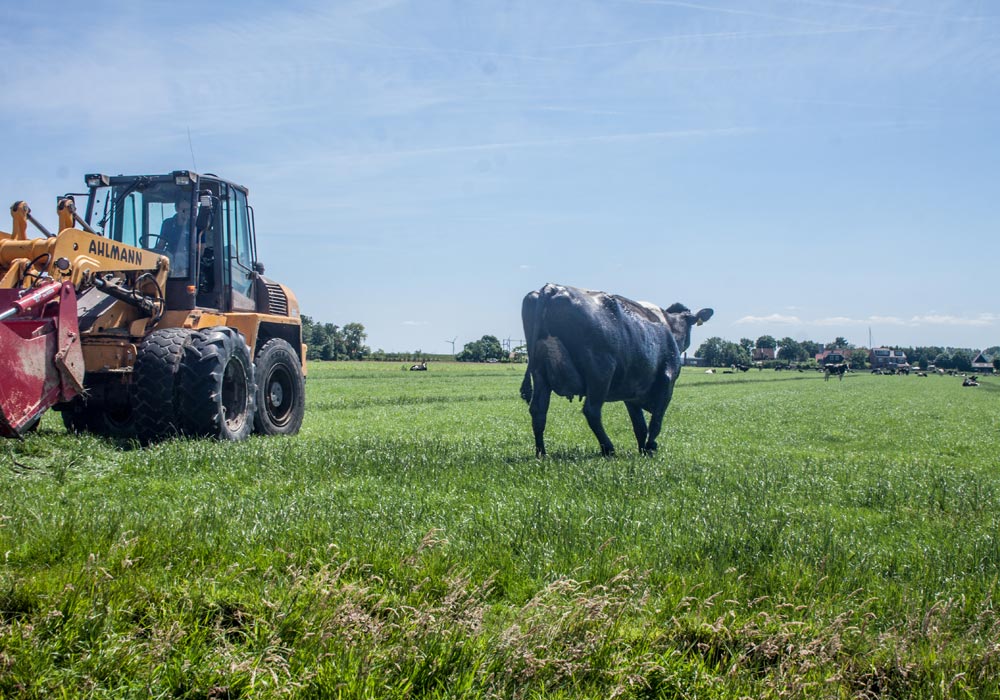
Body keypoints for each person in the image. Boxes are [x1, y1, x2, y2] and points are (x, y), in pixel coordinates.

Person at [158, 198, 191, 276]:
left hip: (189, 260)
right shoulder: (168, 223)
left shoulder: (196, 225)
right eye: (183, 210)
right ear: (176, 209)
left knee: (180, 258)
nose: (185, 212)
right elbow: (161, 245)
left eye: (188, 210)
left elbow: (200, 249)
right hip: (170, 257)